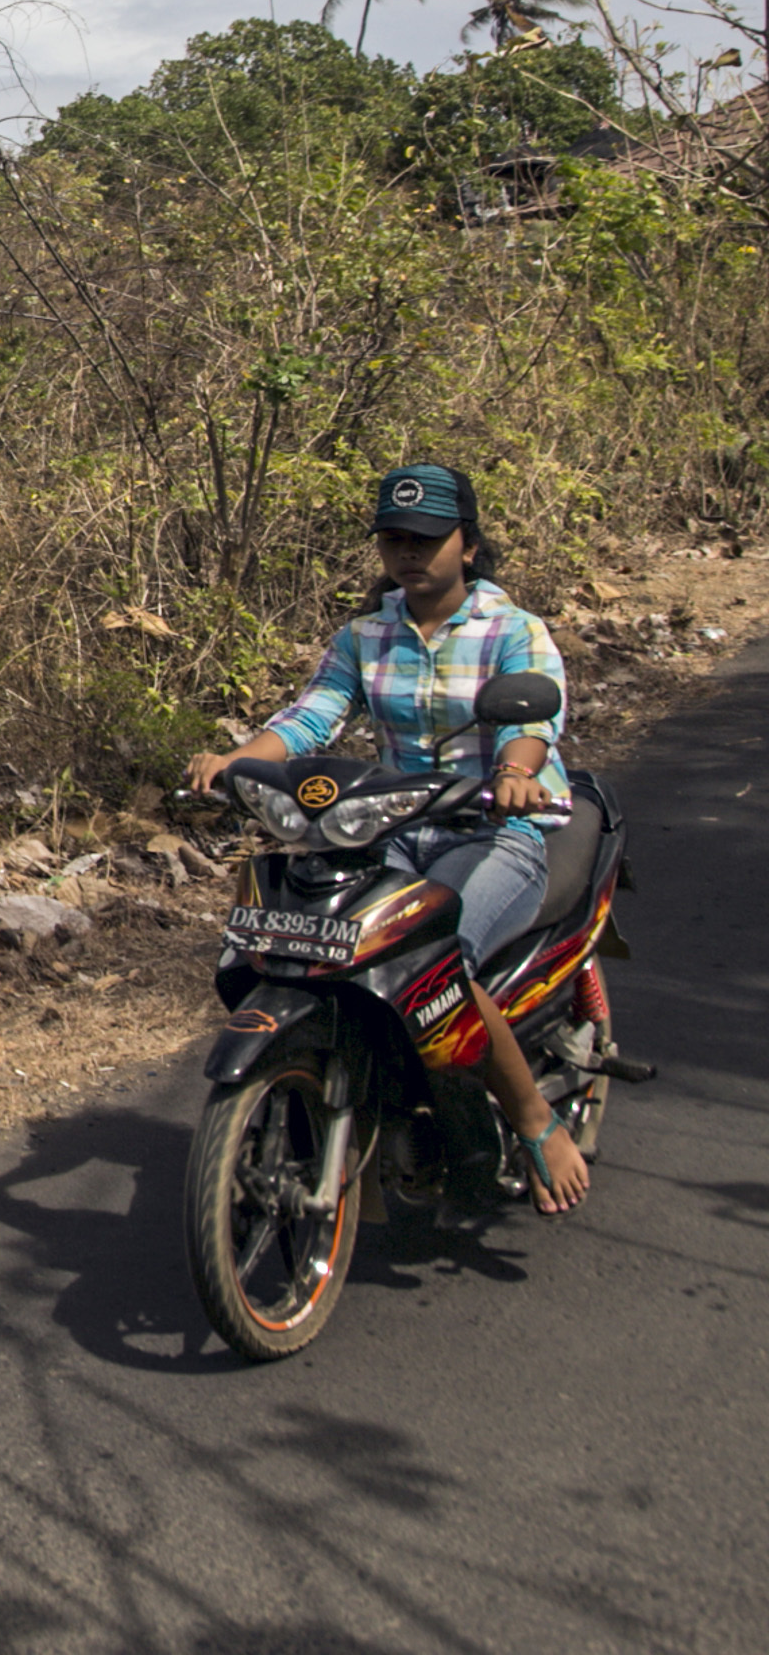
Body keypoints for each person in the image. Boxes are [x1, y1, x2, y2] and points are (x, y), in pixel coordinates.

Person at [185, 464, 590, 1216]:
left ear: (467, 546)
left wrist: (513, 772)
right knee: (327, 941)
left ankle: (535, 1122)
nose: (410, 554)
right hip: (395, 827)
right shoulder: (365, 636)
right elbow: (314, 717)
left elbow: (530, 722)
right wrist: (239, 761)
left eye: (428, 540)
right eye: (395, 540)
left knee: (439, 958)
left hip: (498, 829)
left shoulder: (512, 631)